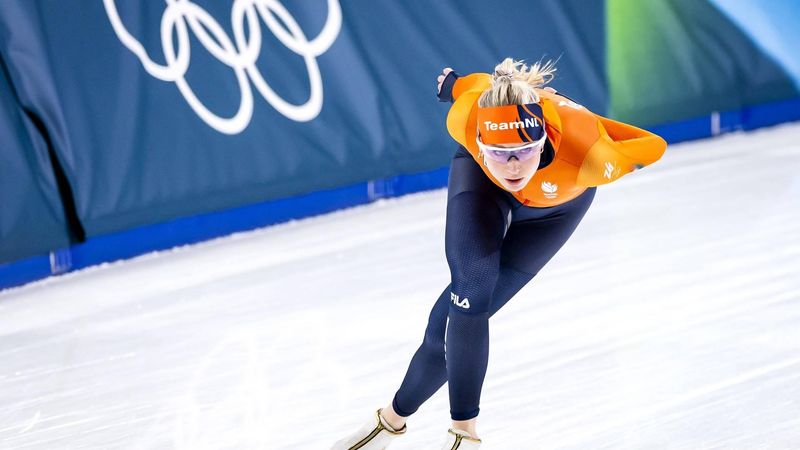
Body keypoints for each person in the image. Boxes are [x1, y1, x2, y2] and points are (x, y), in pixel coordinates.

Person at [332, 57, 667, 449]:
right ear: (479, 140)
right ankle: (455, 433)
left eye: (524, 151)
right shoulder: (466, 117)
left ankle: (397, 423)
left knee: (449, 324)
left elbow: (652, 146)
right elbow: (468, 86)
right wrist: (452, 83)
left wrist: (593, 129)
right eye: (498, 152)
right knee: (468, 296)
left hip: (553, 214)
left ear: (544, 139)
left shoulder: (588, 151)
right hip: (482, 187)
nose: (512, 167)